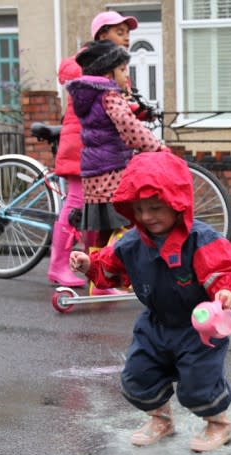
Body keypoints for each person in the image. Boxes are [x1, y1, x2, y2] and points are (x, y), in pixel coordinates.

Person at [69, 151, 231, 452]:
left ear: (177, 204)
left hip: (200, 328)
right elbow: (111, 266)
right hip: (155, 323)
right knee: (139, 375)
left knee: (199, 383)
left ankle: (218, 424)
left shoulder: (201, 240)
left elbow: (229, 270)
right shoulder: (132, 242)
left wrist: (227, 292)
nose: (146, 216)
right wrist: (89, 265)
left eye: (156, 208)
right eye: (139, 209)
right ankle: (161, 418)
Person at [46, 11, 139, 287]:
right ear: (102, 36)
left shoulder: (113, 65)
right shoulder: (89, 63)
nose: (126, 38)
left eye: (128, 33)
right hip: (83, 145)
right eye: (120, 32)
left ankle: (93, 263)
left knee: (96, 208)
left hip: (100, 146)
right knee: (75, 204)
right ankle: (58, 265)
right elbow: (91, 88)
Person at [66, 39, 166, 294]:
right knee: (126, 225)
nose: (126, 75)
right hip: (113, 170)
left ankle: (97, 281)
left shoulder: (88, 96)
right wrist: (157, 148)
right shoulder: (110, 95)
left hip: (92, 172)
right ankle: (116, 278)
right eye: (123, 70)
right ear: (108, 72)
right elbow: (128, 126)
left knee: (102, 231)